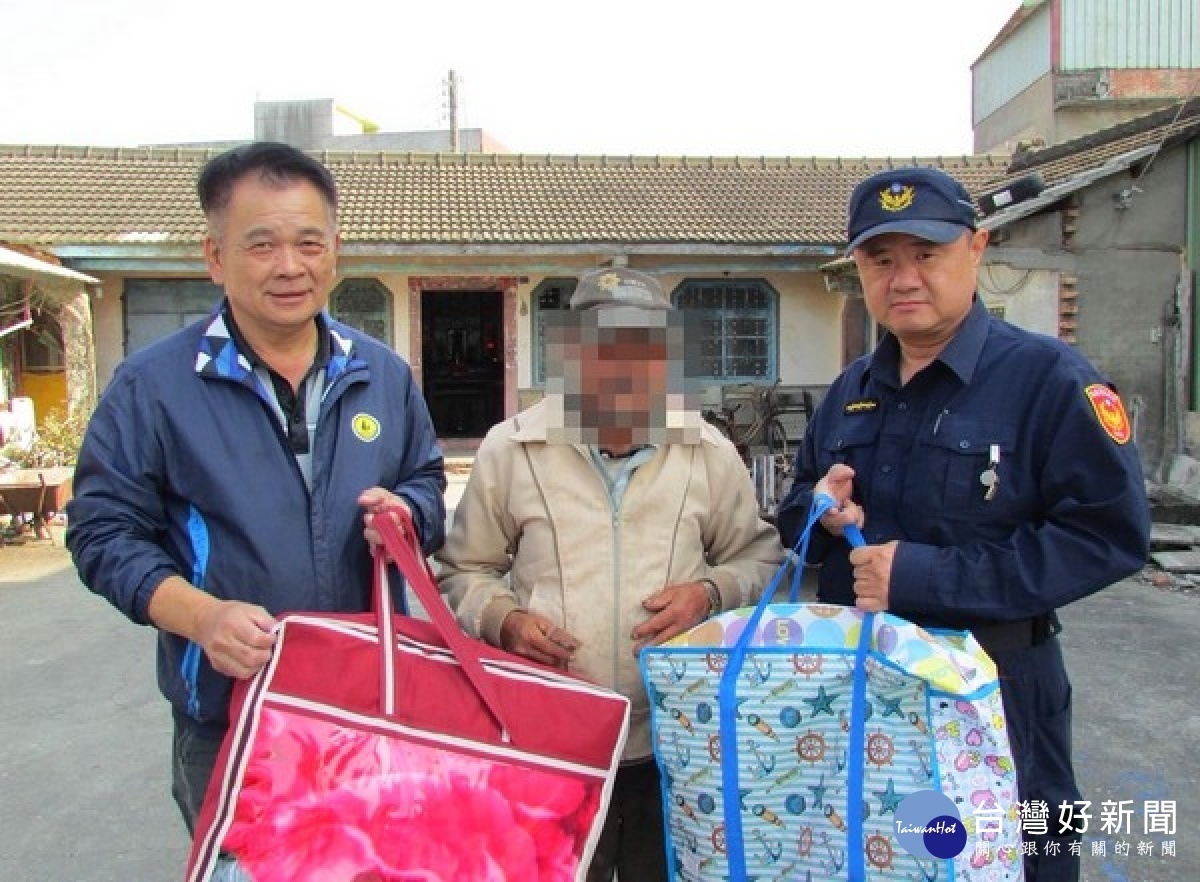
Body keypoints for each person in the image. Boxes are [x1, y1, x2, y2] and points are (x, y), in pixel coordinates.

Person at [776, 166, 1150, 881]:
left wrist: (918, 574)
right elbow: (795, 503)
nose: (903, 278)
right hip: (868, 684)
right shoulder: (851, 391)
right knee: (875, 854)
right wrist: (822, 509)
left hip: (999, 685)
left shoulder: (1049, 380)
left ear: (976, 249)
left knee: (1016, 857)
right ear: (858, 268)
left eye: (926, 253)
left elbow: (1107, 536)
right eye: (881, 260)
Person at [66, 142, 446, 834]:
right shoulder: (154, 388)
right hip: (231, 716)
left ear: (336, 250)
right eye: (261, 244)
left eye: (308, 242)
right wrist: (200, 617)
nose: (289, 267)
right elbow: (101, 533)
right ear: (215, 256)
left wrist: (409, 511)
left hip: (372, 709)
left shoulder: (384, 375)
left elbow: (425, 481)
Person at [436, 267, 785, 882]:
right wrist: (503, 619)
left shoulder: (705, 450)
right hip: (551, 741)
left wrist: (710, 594)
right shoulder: (511, 449)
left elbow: (757, 558)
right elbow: (464, 569)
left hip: (677, 743)